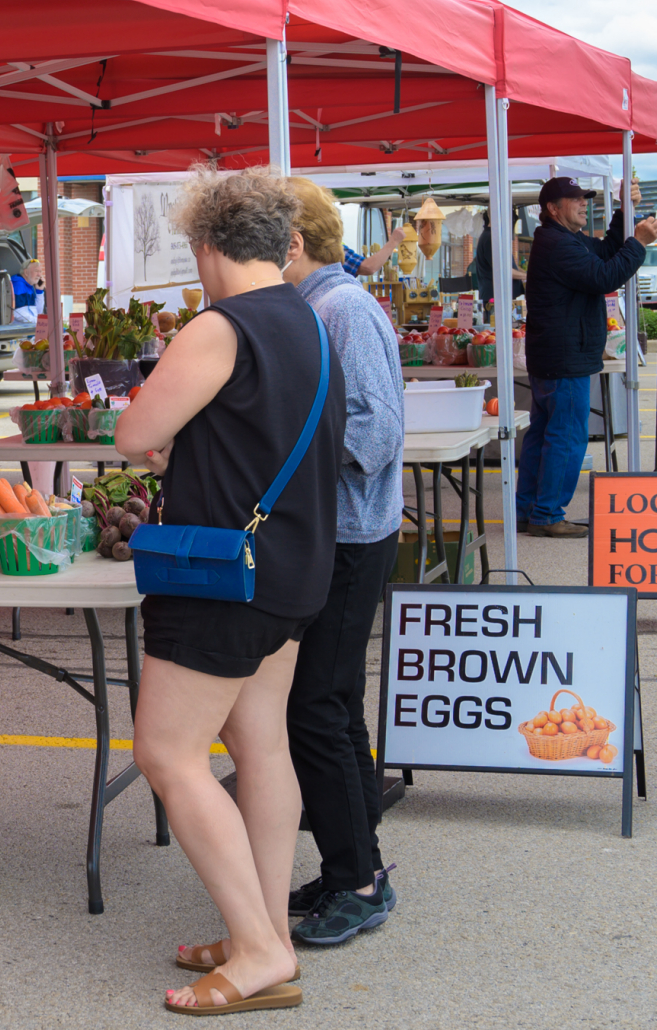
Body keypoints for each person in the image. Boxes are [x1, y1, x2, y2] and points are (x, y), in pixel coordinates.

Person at [116, 167, 347, 1014]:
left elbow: (134, 430)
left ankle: (256, 948)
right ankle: (266, 929)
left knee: (168, 753)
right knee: (263, 748)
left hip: (221, 579)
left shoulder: (220, 325)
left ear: (206, 246)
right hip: (290, 569)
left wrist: (164, 445)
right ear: (282, 241)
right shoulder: (310, 319)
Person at [280, 176, 404, 944]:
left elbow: (374, 435)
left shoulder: (343, 307)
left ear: (292, 244)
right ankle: (357, 866)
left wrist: (283, 461)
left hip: (351, 536)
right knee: (332, 706)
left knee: (314, 710)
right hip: (344, 534)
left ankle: (357, 877)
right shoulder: (324, 306)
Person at [515, 177, 657, 537]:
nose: (583, 203)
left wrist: (624, 211)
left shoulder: (562, 240)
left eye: (585, 198)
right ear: (552, 208)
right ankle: (548, 515)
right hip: (564, 359)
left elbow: (608, 251)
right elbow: (605, 274)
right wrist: (640, 242)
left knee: (545, 434)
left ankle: (529, 509)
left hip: (555, 357)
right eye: (575, 199)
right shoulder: (557, 244)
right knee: (565, 436)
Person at [475, 209, 526, 311]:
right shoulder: (490, 239)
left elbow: (511, 266)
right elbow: (503, 270)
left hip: (504, 298)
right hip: (496, 300)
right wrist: (529, 276)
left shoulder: (493, 238)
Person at [10, 259, 44, 325]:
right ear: (26, 272)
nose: (39, 275)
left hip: (30, 328)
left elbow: (38, 312)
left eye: (40, 271)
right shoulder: (18, 285)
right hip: (21, 331)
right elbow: (17, 313)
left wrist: (39, 292)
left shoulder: (30, 285)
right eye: (36, 271)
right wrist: (38, 322)